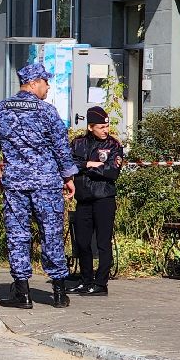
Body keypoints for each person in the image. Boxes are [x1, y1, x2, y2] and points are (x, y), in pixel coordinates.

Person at [0, 61, 78, 309]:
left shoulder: (1, 109)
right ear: (33, 83)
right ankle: (58, 292)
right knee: (52, 234)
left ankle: (22, 293)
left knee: (18, 236)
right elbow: (61, 148)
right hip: (46, 183)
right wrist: (68, 177)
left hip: (15, 183)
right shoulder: (47, 111)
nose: (48, 87)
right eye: (45, 82)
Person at [70, 105, 123, 295]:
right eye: (101, 127)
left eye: (107, 126)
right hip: (84, 199)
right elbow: (68, 164)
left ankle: (101, 284)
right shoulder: (78, 143)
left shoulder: (113, 145)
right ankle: (86, 280)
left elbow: (112, 172)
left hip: (104, 198)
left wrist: (85, 169)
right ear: (91, 126)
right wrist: (89, 164)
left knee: (103, 243)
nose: (105, 130)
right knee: (82, 243)